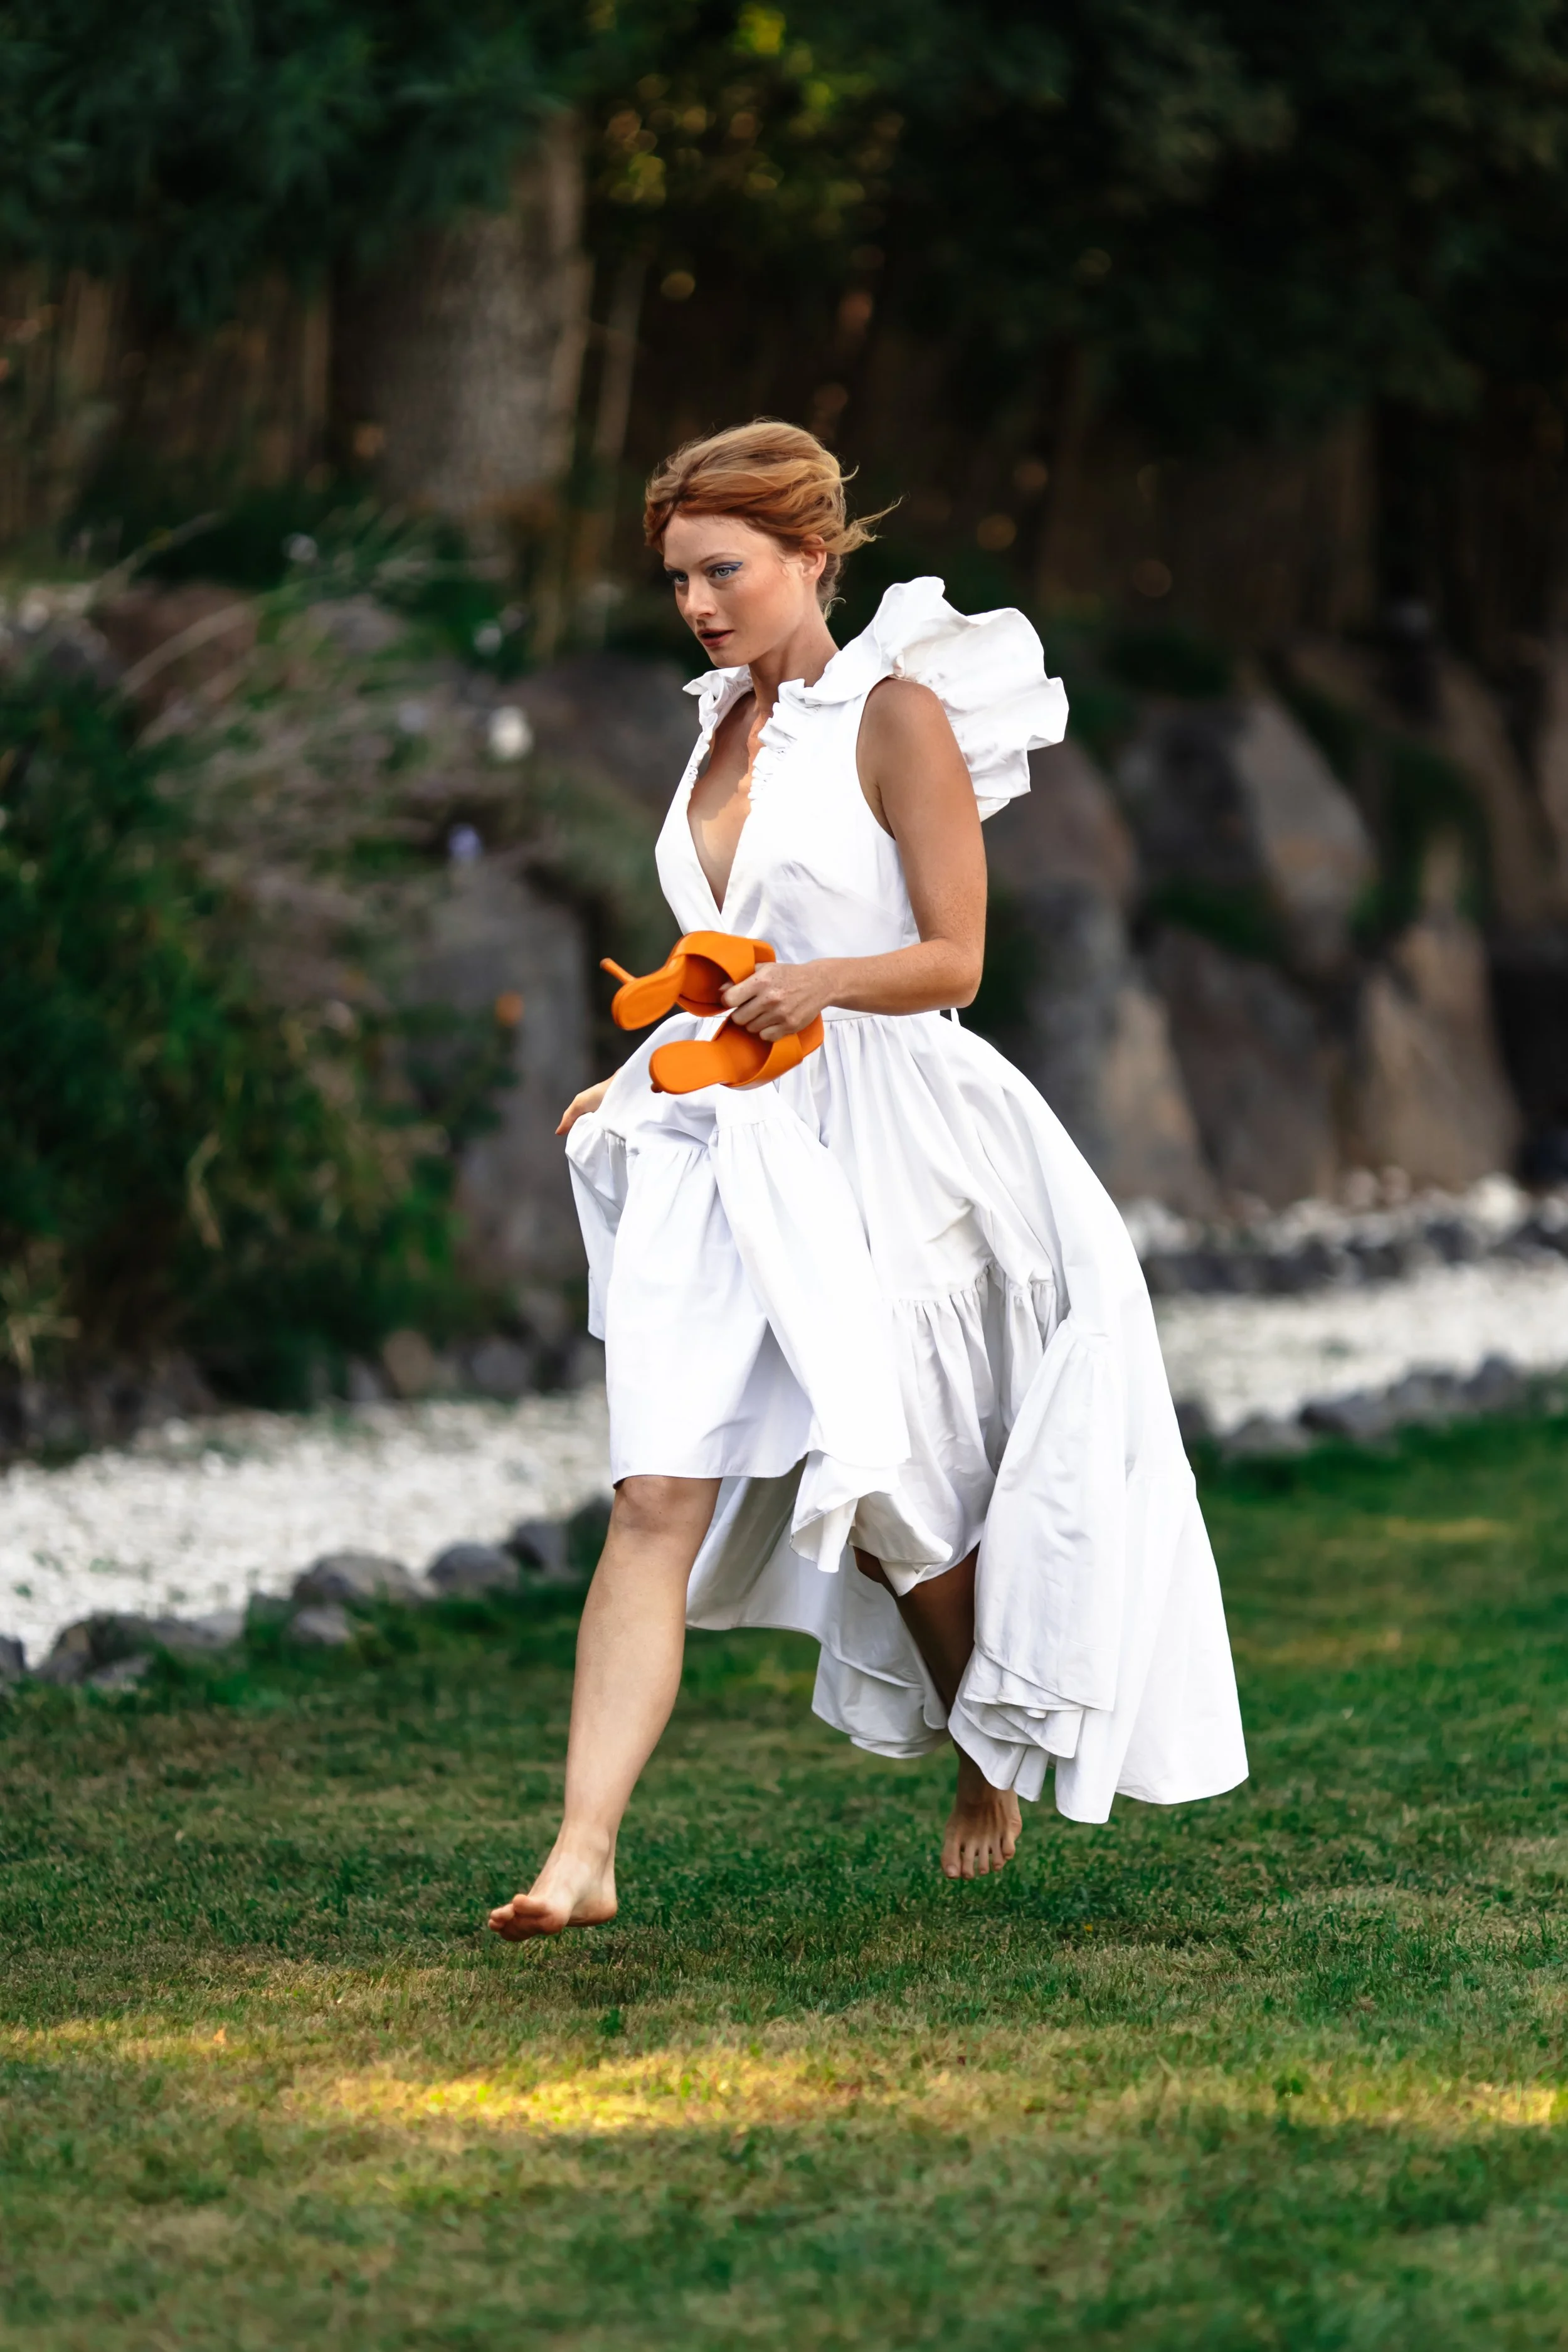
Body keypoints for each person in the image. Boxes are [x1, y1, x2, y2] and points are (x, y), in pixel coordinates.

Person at [489, 420, 1246, 1941]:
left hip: (876, 1133)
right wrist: (641, 1073)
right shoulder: (713, 726)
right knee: (652, 1497)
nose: (698, 605)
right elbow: (718, 964)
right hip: (722, 1146)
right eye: (680, 578)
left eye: (725, 571)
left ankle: (983, 1746)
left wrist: (820, 987)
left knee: (894, 1498)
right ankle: (581, 1851)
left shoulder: (891, 718)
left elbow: (954, 956)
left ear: (812, 558)